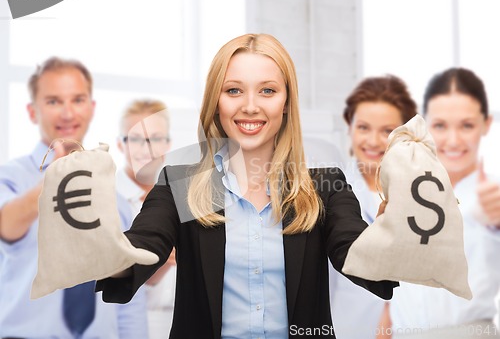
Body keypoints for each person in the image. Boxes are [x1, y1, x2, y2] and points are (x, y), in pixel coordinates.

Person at [95, 33, 399, 339]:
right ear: (216, 101)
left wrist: (391, 234)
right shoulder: (181, 186)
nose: (250, 106)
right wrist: (96, 246)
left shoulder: (324, 187)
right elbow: (142, 248)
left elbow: (358, 256)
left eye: (267, 90)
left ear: (286, 102)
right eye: (234, 90)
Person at [0, 57, 149, 338]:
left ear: (91, 108)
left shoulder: (115, 200)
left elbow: (130, 295)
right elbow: (6, 224)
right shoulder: (10, 177)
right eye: (54, 101)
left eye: (78, 100)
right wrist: (51, 183)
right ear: (33, 112)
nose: (68, 113)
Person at [382, 67, 500, 338]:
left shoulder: (492, 193)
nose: (454, 140)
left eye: (467, 125)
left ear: (486, 124)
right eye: (440, 125)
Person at [328, 75, 418, 339]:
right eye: (363, 127)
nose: (373, 141)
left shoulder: (423, 193)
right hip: (348, 328)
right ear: (350, 127)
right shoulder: (329, 191)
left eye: (387, 130)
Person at [116, 99, 177, 339]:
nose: (146, 149)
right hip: (125, 324)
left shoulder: (181, 198)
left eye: (155, 139)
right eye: (135, 139)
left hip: (178, 320)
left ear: (168, 143)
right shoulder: (106, 201)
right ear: (121, 145)